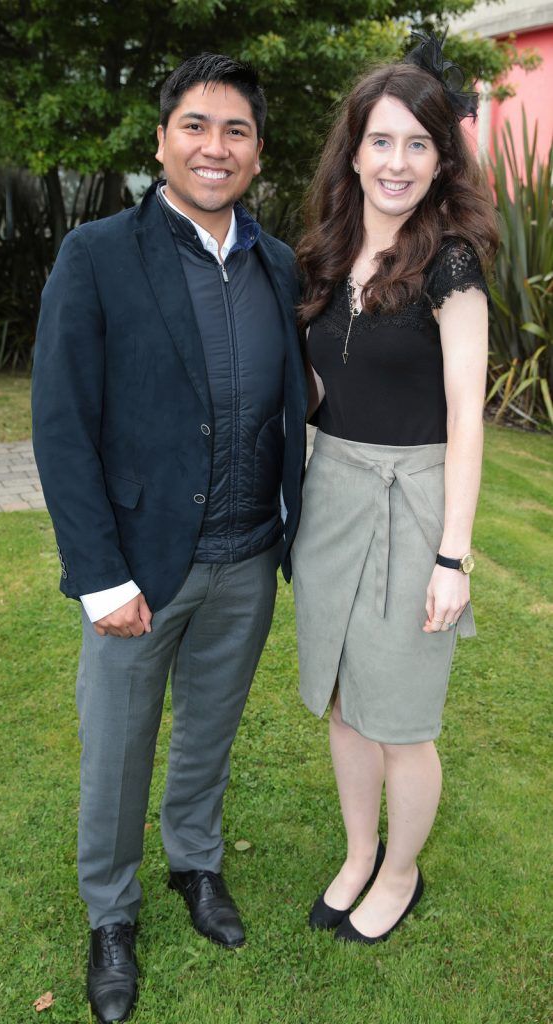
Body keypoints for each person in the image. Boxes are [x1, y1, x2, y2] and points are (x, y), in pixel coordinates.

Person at [32, 53, 306, 1024]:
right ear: (161, 141)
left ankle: (196, 863)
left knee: (209, 733)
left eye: (234, 130)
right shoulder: (98, 254)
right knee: (117, 746)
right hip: (140, 566)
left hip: (245, 555)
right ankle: (110, 911)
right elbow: (61, 423)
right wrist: (100, 576)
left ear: (257, 152)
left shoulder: (276, 262)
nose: (214, 146)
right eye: (195, 125)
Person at [292, 32, 498, 945]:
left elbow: (465, 413)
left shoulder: (450, 262)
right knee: (343, 699)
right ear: (354, 150)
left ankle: (401, 872)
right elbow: (324, 382)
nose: (397, 162)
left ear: (440, 158)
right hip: (331, 493)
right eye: (381, 140)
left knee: (401, 719)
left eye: (418, 143)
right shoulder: (328, 252)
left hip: (413, 505)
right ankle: (356, 849)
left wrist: (450, 556)